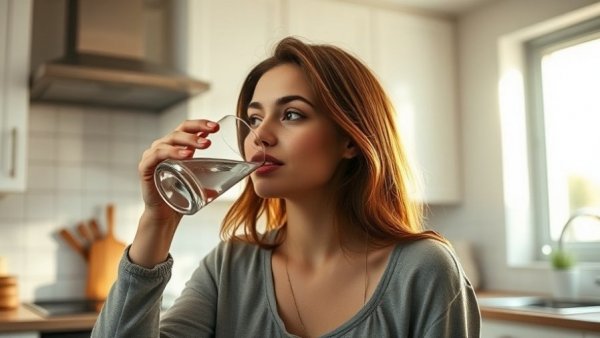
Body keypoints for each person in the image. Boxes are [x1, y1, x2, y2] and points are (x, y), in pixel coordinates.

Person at [91, 36, 480, 338]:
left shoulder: (424, 270)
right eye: (253, 118)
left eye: (292, 114)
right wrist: (157, 222)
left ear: (350, 140)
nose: (260, 135)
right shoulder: (229, 268)